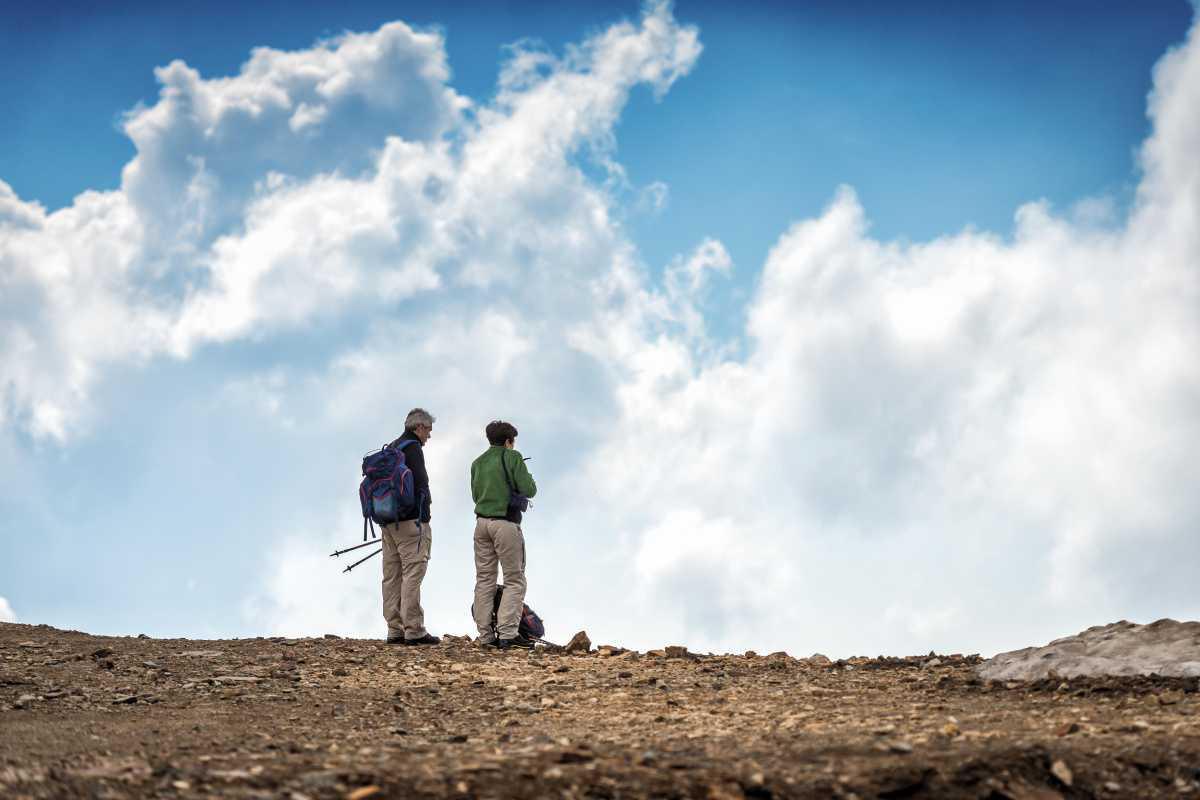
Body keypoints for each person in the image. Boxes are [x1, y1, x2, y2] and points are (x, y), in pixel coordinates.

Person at [470, 420, 538, 649]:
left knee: (484, 579)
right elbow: (530, 489)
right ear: (509, 441)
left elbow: (475, 494)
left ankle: (486, 636)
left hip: (481, 524)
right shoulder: (512, 457)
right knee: (514, 579)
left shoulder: (477, 463)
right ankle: (508, 634)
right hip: (505, 524)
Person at [381, 408, 440, 646]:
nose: (429, 435)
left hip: (388, 521)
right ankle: (414, 629)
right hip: (411, 523)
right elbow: (422, 483)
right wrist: (424, 516)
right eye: (428, 430)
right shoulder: (413, 448)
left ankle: (394, 629)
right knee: (413, 574)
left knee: (391, 576)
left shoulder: (393, 446)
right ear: (419, 427)